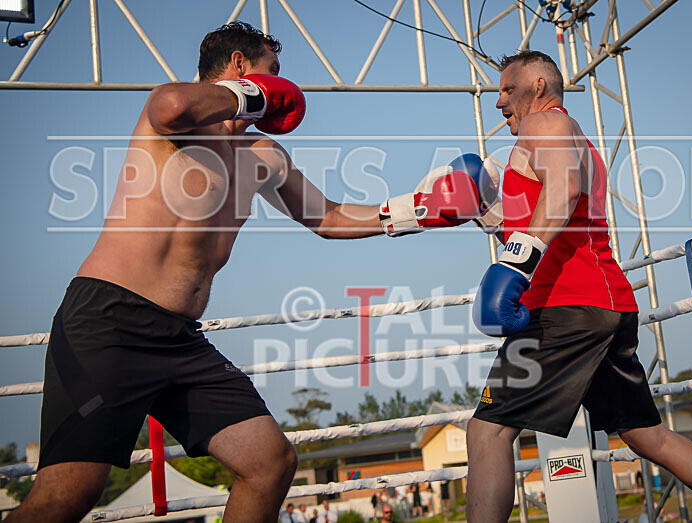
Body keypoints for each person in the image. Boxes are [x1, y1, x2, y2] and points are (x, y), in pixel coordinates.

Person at [6, 21, 498, 523]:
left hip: (179, 339)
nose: (282, 86)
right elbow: (171, 106)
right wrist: (253, 96)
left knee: (269, 462)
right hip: (109, 322)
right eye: (274, 71)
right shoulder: (175, 120)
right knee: (64, 499)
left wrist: (419, 210)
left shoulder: (262, 157)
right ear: (241, 67)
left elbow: (326, 217)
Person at [465, 49, 692, 523]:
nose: (498, 101)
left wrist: (513, 265)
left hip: (565, 307)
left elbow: (562, 193)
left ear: (539, 86)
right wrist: (486, 213)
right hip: (605, 302)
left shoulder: (543, 125)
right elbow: (558, 212)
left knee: (488, 432)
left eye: (507, 89)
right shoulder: (566, 136)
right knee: (648, 436)